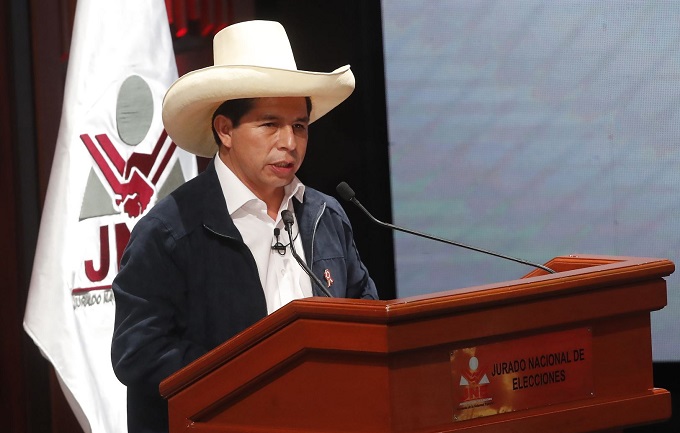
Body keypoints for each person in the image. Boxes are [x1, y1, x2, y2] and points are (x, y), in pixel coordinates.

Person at [111, 20, 378, 433]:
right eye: (270, 125)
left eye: (300, 126)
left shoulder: (325, 216)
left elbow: (367, 318)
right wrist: (252, 380)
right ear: (225, 130)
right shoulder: (169, 232)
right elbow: (139, 352)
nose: (290, 142)